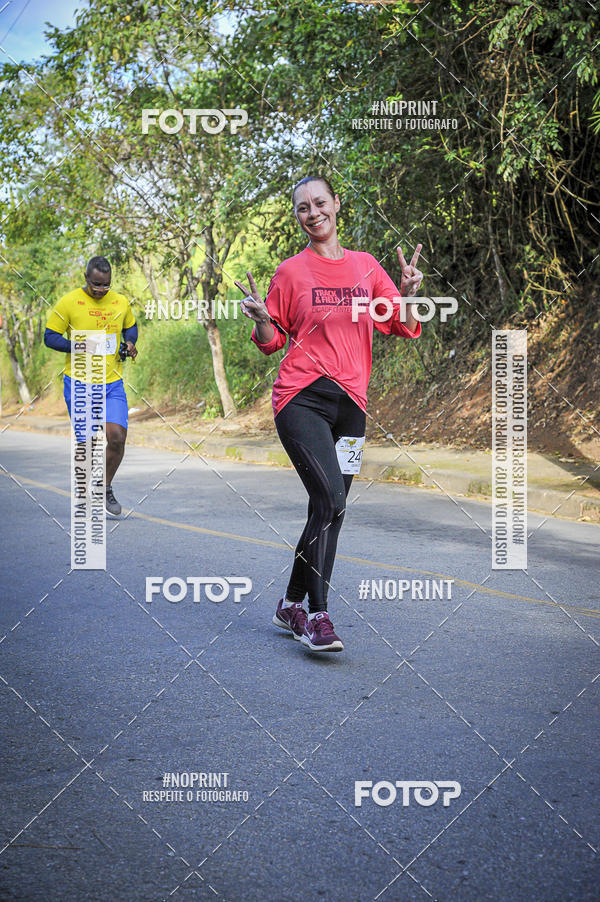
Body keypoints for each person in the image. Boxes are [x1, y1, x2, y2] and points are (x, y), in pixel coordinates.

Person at [236, 175, 423, 652]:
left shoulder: (366, 267)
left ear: (337, 205)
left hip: (352, 408)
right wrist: (261, 321)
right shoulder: (291, 272)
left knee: (330, 510)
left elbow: (400, 325)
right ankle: (317, 617)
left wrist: (406, 291)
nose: (312, 212)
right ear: (298, 217)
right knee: (332, 502)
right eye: (302, 208)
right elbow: (272, 341)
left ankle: (290, 603)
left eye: (320, 202)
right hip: (301, 399)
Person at [44, 256, 138, 516]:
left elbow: (131, 327)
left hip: (111, 384)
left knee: (117, 439)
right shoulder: (69, 302)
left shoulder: (120, 301)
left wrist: (129, 344)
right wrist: (78, 346)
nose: (100, 290)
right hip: (79, 381)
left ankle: (104, 488)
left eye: (106, 285)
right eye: (96, 284)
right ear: (86, 278)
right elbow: (49, 337)